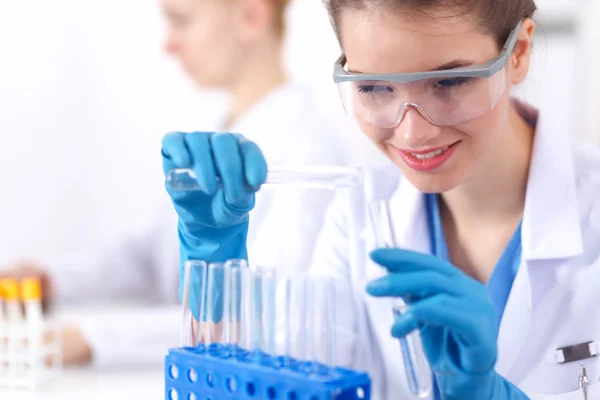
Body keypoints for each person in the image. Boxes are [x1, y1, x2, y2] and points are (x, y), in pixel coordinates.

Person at [160, 0, 600, 398]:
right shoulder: (357, 217)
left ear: (518, 53)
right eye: (373, 88)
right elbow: (284, 386)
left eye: (449, 82)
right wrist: (216, 269)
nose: (412, 133)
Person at [1, 0, 352, 368]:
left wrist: (87, 338)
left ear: (251, 15)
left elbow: (257, 314)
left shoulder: (309, 144)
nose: (168, 45)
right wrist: (54, 282)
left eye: (181, 21)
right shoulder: (220, 129)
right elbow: (152, 257)